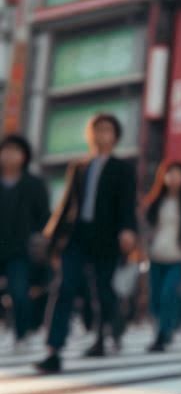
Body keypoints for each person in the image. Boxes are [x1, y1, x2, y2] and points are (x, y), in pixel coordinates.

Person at [36, 113, 137, 373]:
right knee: (64, 287)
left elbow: (127, 203)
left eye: (107, 130)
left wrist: (128, 230)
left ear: (115, 136)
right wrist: (52, 235)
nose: (101, 134)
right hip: (77, 236)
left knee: (102, 291)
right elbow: (66, 203)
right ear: (90, 135)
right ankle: (53, 349)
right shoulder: (79, 167)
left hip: (107, 237)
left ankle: (103, 335)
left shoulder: (122, 168)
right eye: (97, 129)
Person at [0, 134, 51, 349]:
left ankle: (22, 334)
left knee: (19, 292)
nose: (9, 156)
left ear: (24, 156)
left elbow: (44, 216)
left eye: (15, 151)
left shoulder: (34, 184)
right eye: (6, 151)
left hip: (20, 249)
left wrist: (42, 238)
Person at [141, 160, 181, 352]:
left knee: (168, 294)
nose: (173, 178)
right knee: (155, 299)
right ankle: (166, 327)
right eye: (170, 173)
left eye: (178, 174)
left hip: (178, 258)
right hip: (156, 256)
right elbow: (145, 228)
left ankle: (163, 335)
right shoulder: (156, 202)